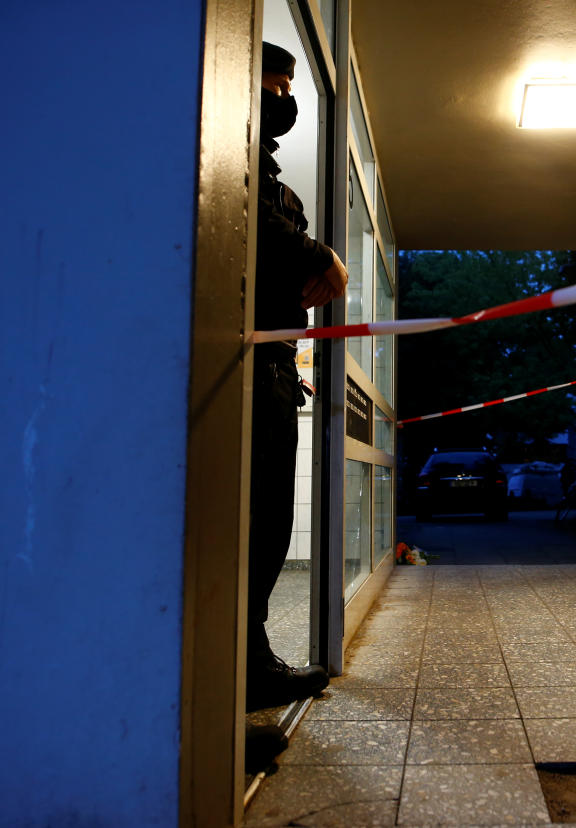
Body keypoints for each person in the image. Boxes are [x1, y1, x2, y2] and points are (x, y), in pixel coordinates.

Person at [247, 41, 348, 753]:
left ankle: (249, 666)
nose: (283, 102)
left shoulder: (278, 181)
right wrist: (322, 257)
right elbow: (260, 235)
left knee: (268, 527)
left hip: (275, 367)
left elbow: (280, 247)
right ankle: (228, 678)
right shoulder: (226, 154)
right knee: (242, 529)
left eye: (289, 90)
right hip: (243, 370)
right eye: (274, 87)